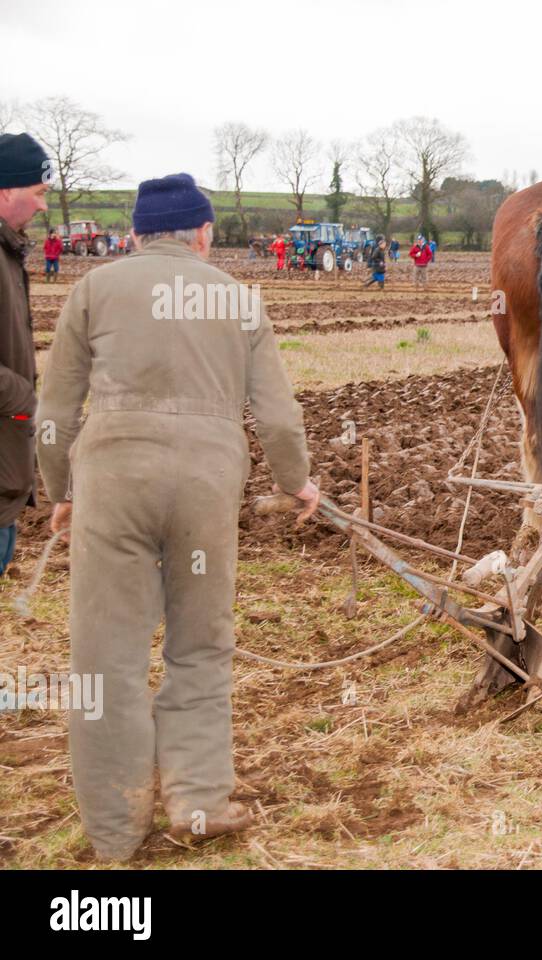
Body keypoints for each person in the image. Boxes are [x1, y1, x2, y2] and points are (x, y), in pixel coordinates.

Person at [35, 172, 319, 861]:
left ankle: (115, 830)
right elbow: (278, 416)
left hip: (112, 482)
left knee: (107, 658)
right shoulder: (239, 299)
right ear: (203, 234)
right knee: (199, 644)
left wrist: (60, 491)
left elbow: (52, 414)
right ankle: (196, 800)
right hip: (205, 484)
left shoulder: (91, 291)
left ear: (134, 235)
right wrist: (298, 481)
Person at [0, 132, 50, 577]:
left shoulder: (8, 251)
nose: (43, 206)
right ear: (6, 189)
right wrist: (23, 398)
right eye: (38, 193)